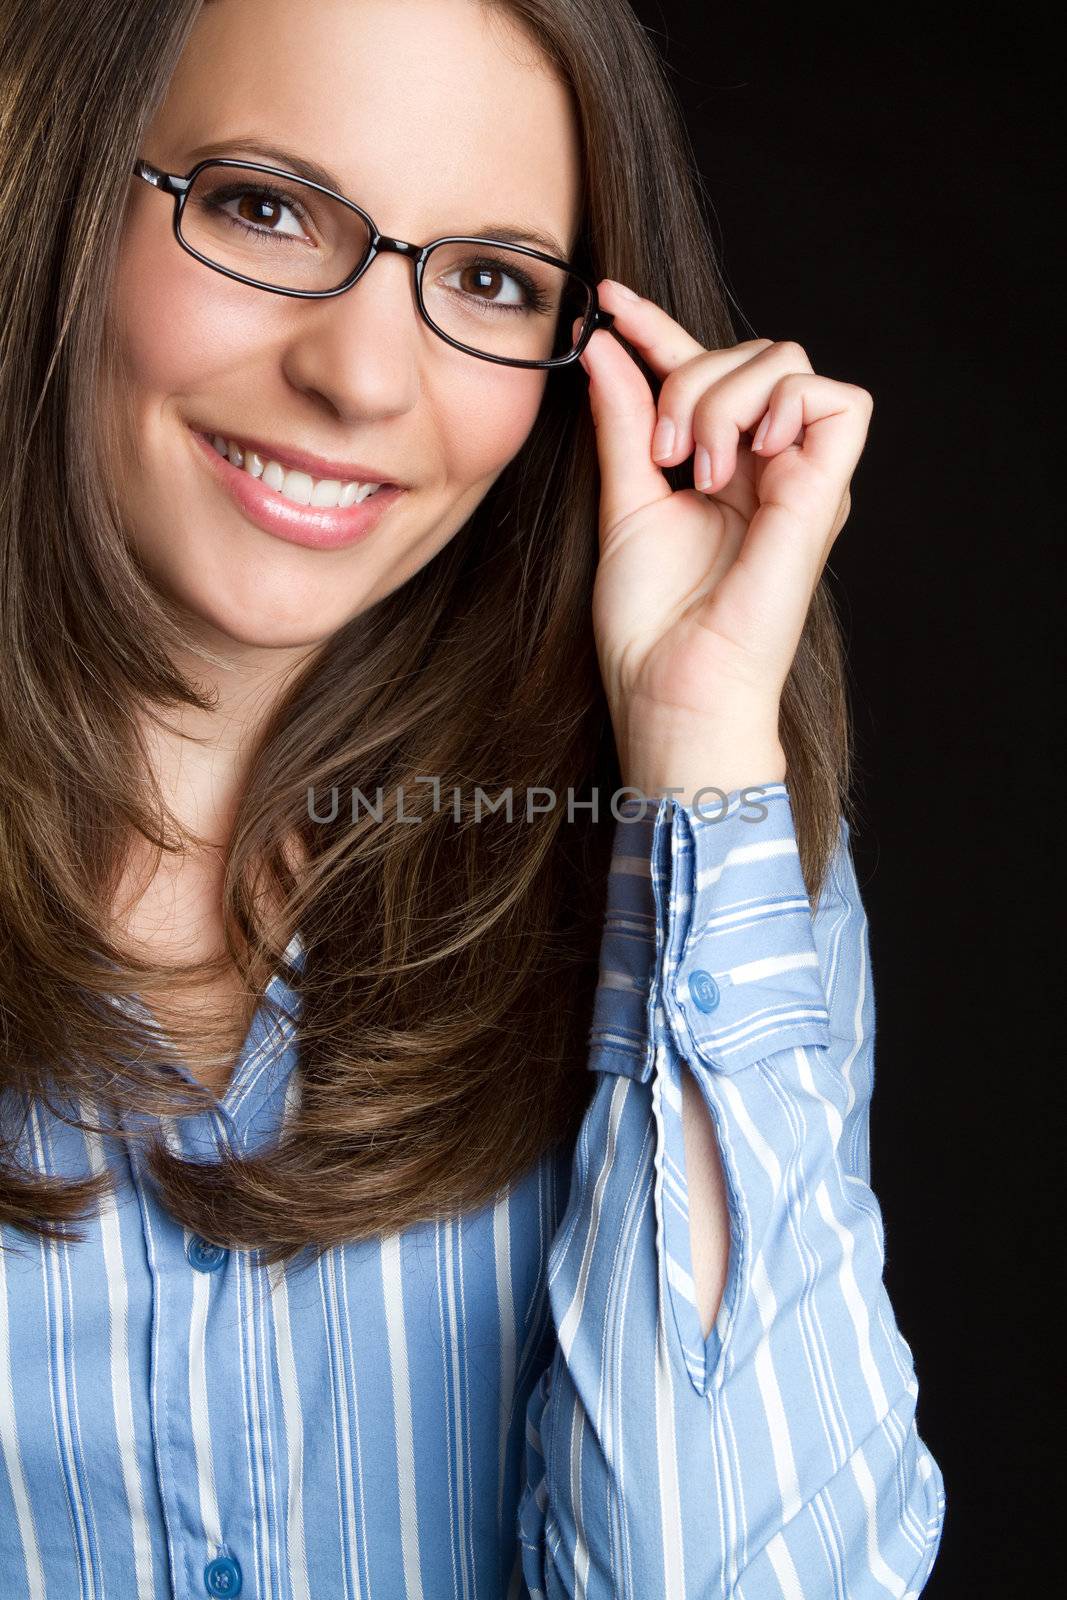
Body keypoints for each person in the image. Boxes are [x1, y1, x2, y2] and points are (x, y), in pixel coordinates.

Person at [0, 0, 945, 1594]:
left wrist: (700, 744)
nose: (362, 376)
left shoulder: (691, 861)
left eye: (492, 280)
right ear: (64, 187)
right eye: (262, 206)